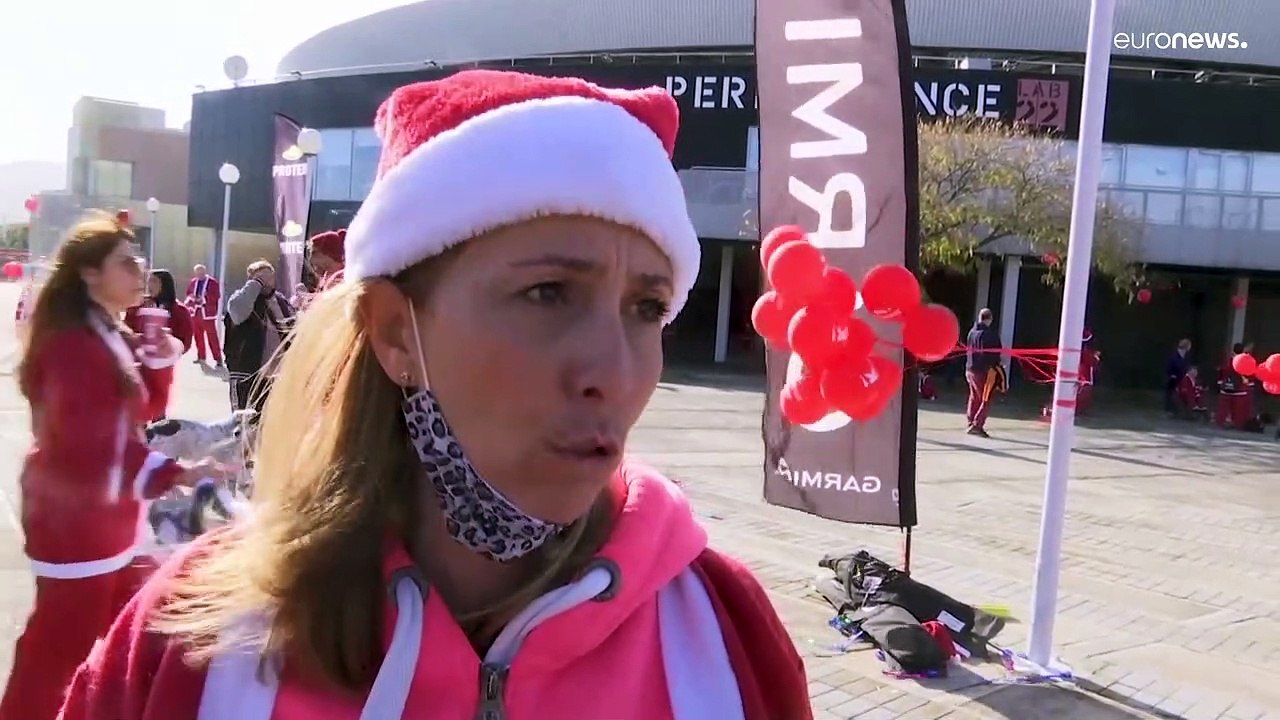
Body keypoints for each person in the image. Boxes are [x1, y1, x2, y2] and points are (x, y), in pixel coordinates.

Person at [59, 69, 811, 720]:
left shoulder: (722, 633)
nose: (614, 373)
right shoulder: (197, 640)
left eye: (647, 309)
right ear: (395, 332)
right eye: (548, 293)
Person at [0, 214, 224, 720]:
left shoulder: (105, 332)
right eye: (126, 263)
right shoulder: (72, 344)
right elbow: (91, 442)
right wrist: (174, 473)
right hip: (74, 520)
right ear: (88, 273)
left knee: (124, 630)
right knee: (59, 651)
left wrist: (159, 362)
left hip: (107, 517)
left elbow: (140, 416)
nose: (140, 272)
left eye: (140, 262)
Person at [223, 259, 296, 413]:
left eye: (269, 277)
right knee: (243, 421)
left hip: (276, 376)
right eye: (260, 277)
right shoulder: (240, 299)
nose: (266, 282)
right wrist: (255, 285)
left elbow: (293, 329)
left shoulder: (281, 301)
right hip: (247, 373)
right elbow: (238, 314)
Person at [125, 270, 194, 420]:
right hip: (137, 365)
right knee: (137, 408)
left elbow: (185, 340)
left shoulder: (179, 311)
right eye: (149, 281)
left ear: (165, 284)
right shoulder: (136, 307)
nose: (150, 285)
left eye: (154, 281)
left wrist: (171, 345)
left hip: (162, 367)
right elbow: (125, 330)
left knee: (158, 410)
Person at [965, 308, 1002, 438]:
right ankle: (977, 424)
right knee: (986, 398)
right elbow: (994, 353)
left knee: (974, 397)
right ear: (989, 319)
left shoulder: (971, 333)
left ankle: (970, 421)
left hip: (970, 369)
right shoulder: (989, 335)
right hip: (983, 371)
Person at [184, 264, 223, 368]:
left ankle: (218, 358)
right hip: (196, 312)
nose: (199, 274)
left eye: (201, 272)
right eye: (197, 273)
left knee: (212, 337)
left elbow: (216, 296)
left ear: (205, 272)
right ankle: (201, 356)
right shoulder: (193, 282)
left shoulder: (212, 282)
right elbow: (188, 293)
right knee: (198, 336)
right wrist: (191, 298)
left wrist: (204, 299)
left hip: (207, 313)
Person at [1163, 338, 1192, 415]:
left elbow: (1186, 365)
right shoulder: (1174, 355)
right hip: (1173, 377)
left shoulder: (1186, 356)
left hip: (1181, 378)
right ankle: (1168, 409)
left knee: (1181, 393)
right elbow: (1169, 365)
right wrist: (1171, 374)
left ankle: (1179, 409)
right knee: (1170, 393)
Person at [1076, 328, 1101, 416]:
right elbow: (1094, 364)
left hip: (1084, 379)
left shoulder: (1087, 353)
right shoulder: (1087, 353)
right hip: (1083, 379)